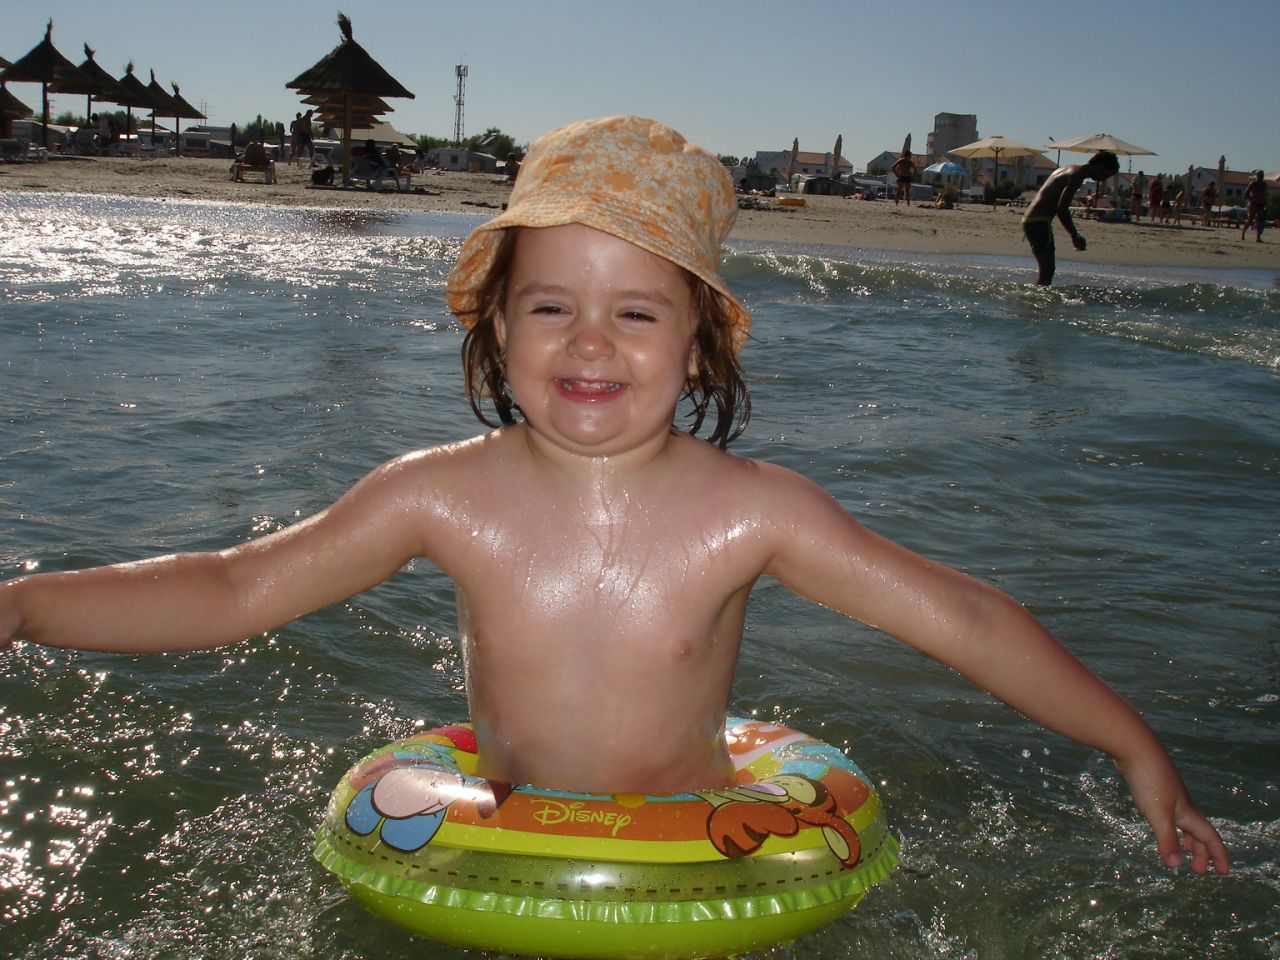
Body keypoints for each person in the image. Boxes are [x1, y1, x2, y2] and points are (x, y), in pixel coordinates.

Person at [0, 116, 1228, 877]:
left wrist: (1132, 746)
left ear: (697, 346)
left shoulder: (754, 512)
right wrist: (23, 605)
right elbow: (234, 587)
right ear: (499, 327)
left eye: (635, 312)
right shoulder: (436, 496)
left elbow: (961, 617)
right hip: (501, 852)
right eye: (550, 305)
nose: (589, 342)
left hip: (696, 862)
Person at [1020, 150, 1121, 285]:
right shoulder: (1077, 176)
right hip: (1039, 222)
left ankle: (1034, 296)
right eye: (1106, 174)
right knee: (1047, 271)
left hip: (1032, 220)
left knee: (1046, 271)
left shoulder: (1067, 168)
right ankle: (1035, 298)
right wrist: (1074, 235)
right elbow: (1061, 208)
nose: (1103, 179)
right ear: (1100, 166)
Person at [1240, 170, 1267, 242]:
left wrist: (1265, 203)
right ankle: (1243, 234)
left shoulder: (1264, 184)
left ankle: (1258, 237)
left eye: (1262, 175)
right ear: (1257, 176)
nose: (1262, 176)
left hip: (1261, 205)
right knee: (1250, 220)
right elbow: (1246, 193)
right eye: (1260, 175)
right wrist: (1251, 199)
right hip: (1254, 204)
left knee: (1260, 221)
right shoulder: (1253, 183)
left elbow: (1264, 194)